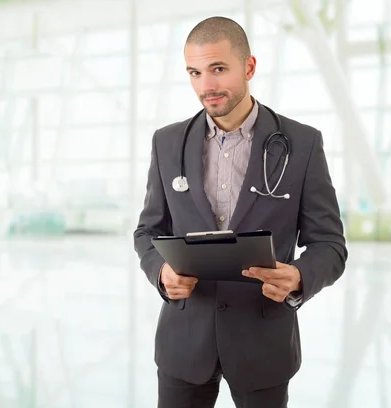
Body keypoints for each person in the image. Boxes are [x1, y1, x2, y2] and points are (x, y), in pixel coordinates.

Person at [134, 16, 347, 408]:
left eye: (218, 69)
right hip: (184, 342)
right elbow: (147, 232)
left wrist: (300, 276)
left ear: (249, 66)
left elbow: (330, 245)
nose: (206, 86)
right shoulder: (167, 143)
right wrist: (160, 273)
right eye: (195, 73)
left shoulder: (302, 144)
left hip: (262, 343)